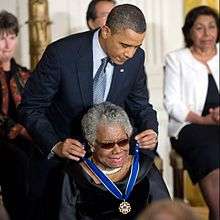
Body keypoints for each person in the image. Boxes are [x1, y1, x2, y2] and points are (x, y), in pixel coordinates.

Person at [19, 4, 158, 164]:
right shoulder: (61, 54)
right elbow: (30, 108)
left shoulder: (137, 58)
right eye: (125, 45)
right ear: (106, 31)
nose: (130, 54)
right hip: (65, 154)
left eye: (137, 46)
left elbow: (140, 105)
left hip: (111, 155)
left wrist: (150, 129)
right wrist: (56, 145)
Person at [59, 102, 169, 220]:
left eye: (123, 142)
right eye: (108, 145)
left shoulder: (144, 168)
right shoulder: (75, 176)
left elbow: (167, 213)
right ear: (92, 144)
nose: (117, 150)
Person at [163, 6, 219, 220]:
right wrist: (203, 119)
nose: (207, 34)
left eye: (212, 27)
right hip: (189, 127)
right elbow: (172, 103)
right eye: (200, 28)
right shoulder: (176, 59)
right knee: (211, 149)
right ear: (189, 32)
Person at [0, 10, 32, 220]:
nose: (7, 44)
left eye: (12, 37)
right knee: (17, 159)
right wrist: (18, 129)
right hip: (3, 140)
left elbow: (34, 110)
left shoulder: (24, 74)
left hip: (26, 138)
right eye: (2, 37)